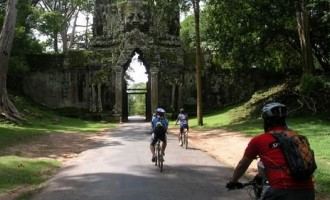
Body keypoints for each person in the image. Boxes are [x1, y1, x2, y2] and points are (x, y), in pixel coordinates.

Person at [226, 102, 315, 200]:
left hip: (281, 191)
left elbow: (243, 164)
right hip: (308, 192)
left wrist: (233, 181)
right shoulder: (296, 137)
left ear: (266, 120)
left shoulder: (259, 140)